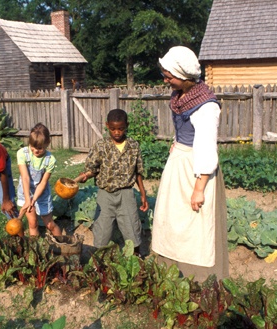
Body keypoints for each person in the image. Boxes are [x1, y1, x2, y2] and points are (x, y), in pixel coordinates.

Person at [151, 46, 229, 282]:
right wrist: (177, 142)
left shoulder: (206, 106)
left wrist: (199, 188)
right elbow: (185, 130)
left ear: (185, 76)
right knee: (172, 220)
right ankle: (169, 271)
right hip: (178, 164)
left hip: (197, 170)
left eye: (169, 76)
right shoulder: (179, 97)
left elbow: (206, 148)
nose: (166, 81)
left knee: (194, 225)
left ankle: (197, 278)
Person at [74, 109, 148, 253]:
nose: (117, 132)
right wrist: (85, 176)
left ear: (126, 125)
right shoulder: (101, 146)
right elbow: (92, 169)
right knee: (102, 230)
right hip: (105, 195)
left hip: (126, 194)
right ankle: (98, 263)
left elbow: (138, 171)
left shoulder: (133, 146)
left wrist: (143, 194)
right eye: (113, 129)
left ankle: (136, 260)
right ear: (107, 125)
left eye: (120, 128)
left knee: (131, 226)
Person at [17, 123, 61, 236]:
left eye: (40, 148)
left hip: (41, 194)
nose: (35, 150)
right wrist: (28, 200)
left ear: (47, 143)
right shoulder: (22, 153)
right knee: (33, 224)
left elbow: (43, 182)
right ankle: (35, 251)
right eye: (32, 146)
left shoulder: (50, 160)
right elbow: (25, 177)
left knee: (49, 224)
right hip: (26, 192)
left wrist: (34, 199)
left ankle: (64, 246)